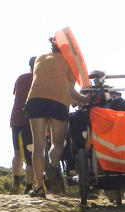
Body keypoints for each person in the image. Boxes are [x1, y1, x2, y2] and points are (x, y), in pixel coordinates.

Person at [23, 37, 90, 198]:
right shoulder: (70, 63)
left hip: (36, 100)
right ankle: (52, 167)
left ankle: (39, 188)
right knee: (57, 142)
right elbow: (69, 90)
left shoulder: (40, 58)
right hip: (58, 103)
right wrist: (85, 99)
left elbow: (45, 82)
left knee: (38, 145)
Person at [10, 57, 35, 194]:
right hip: (30, 120)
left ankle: (16, 180)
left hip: (15, 119)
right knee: (30, 153)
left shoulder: (20, 78)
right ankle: (29, 186)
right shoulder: (39, 80)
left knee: (17, 153)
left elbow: (16, 95)